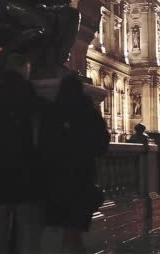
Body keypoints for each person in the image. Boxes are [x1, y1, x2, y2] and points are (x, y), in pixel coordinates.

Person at [0, 55, 46, 254]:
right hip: (27, 176)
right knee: (27, 232)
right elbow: (42, 138)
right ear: (24, 68)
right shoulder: (31, 96)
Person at [39, 73, 110, 253]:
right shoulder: (90, 114)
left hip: (55, 181)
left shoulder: (52, 113)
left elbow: (43, 146)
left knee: (55, 231)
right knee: (74, 232)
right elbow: (102, 146)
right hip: (82, 179)